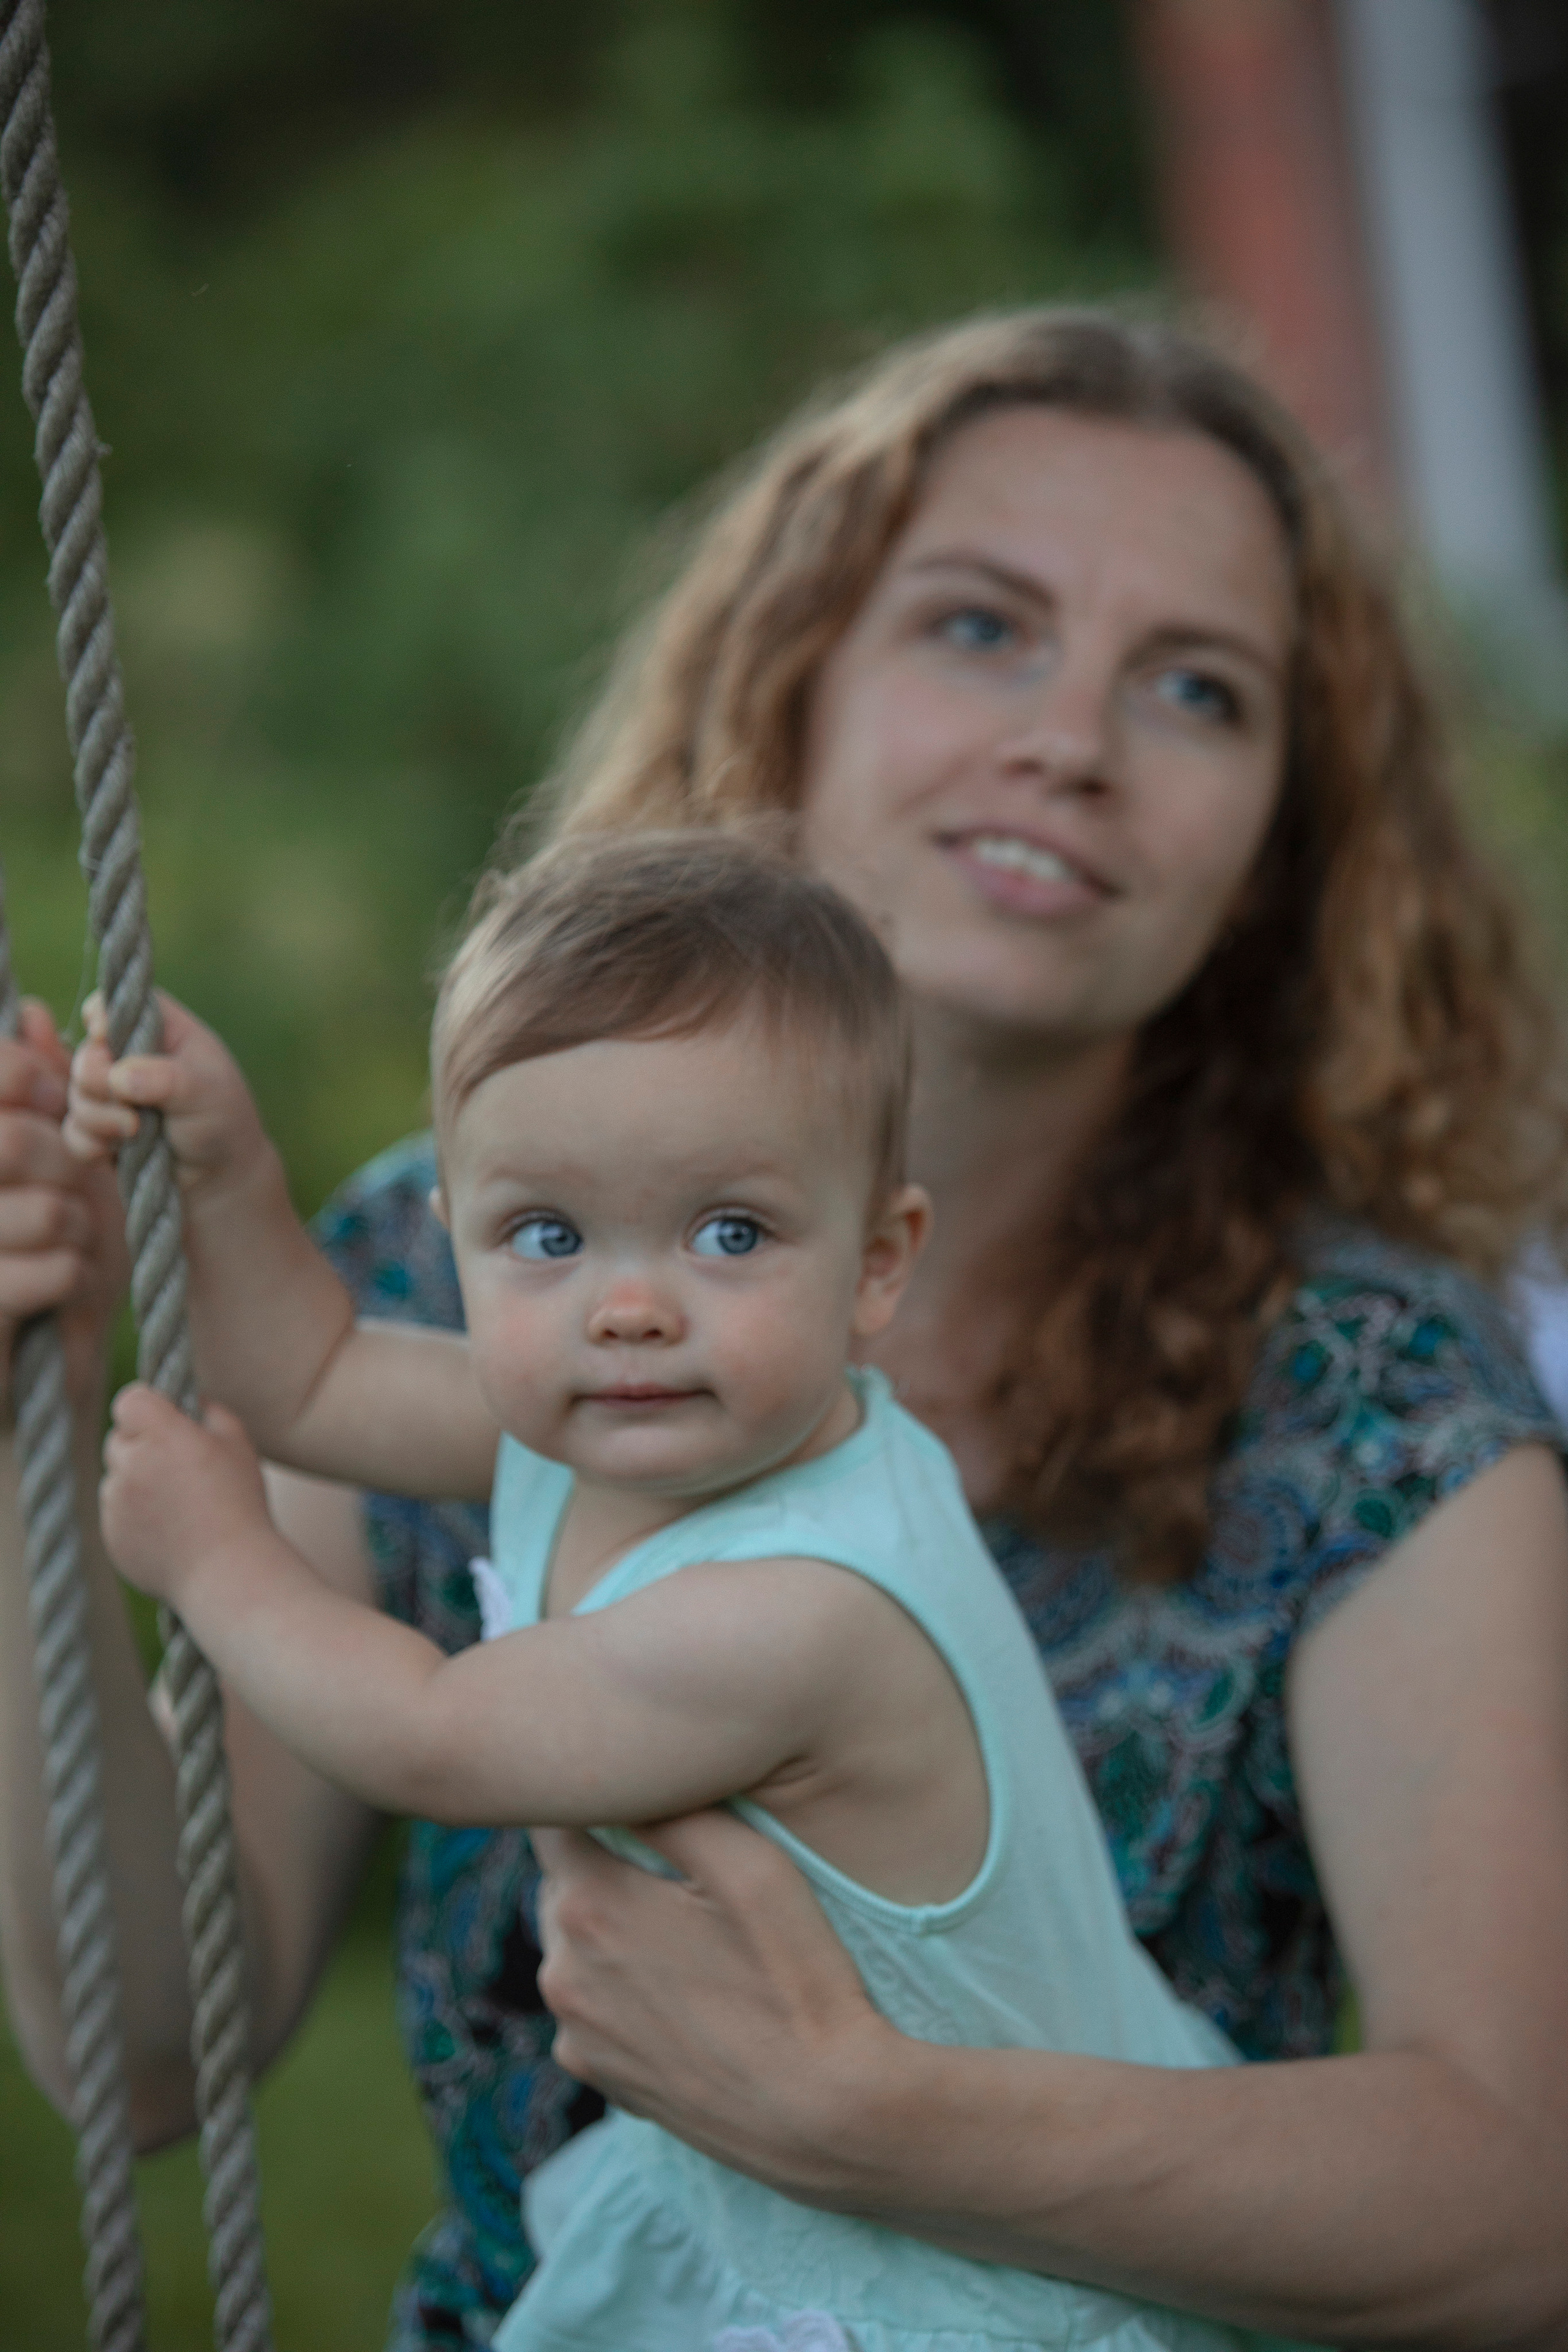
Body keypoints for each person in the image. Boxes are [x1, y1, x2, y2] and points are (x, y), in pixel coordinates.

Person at [1, 308, 1566, 2349]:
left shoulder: (1376, 1401)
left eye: (1197, 687)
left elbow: (1533, 2210)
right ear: (792, 679)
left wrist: (871, 2121)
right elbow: (140, 2049)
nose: (1072, 740)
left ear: (1286, 840)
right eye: (982, 626)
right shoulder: (465, 1263)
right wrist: (42, 1409)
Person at [72, 829, 1264, 2352]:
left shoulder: (801, 1609)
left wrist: (213, 1559)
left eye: (728, 1233)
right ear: (456, 1245)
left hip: (948, 2286)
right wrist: (228, 1173)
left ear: (876, 1261)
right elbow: (306, 1375)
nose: (629, 1307)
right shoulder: (614, 1436)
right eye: (546, 1236)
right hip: (778, 2182)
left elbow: (433, 1733)